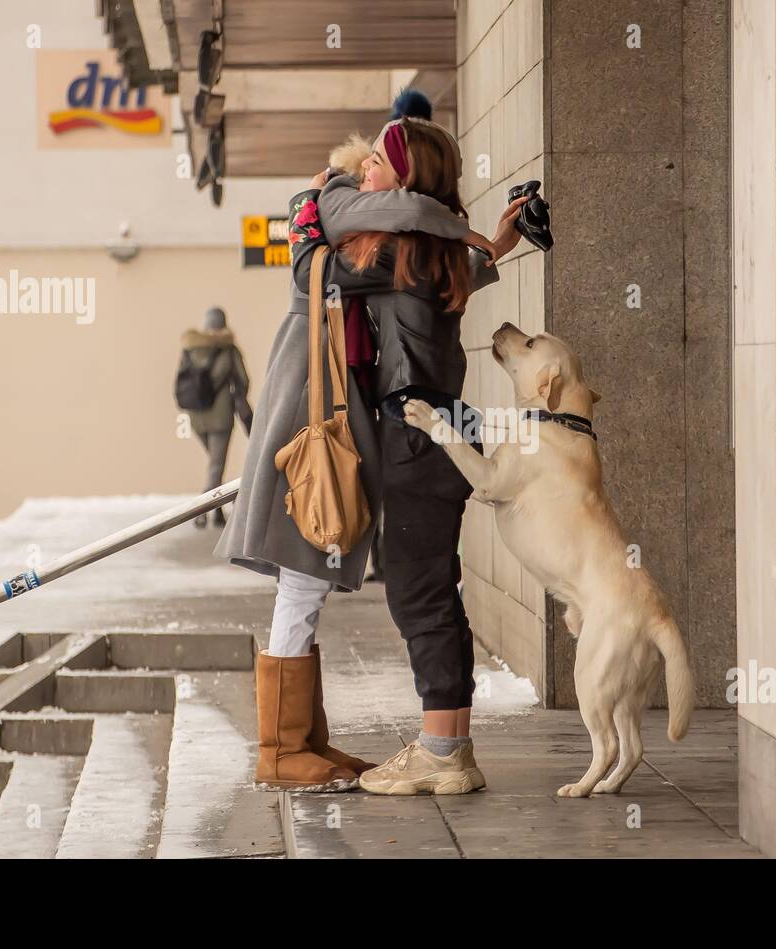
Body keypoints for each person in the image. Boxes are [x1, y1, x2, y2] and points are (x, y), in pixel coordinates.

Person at [214, 105, 515, 791]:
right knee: (426, 588)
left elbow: (310, 272)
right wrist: (493, 243)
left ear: (407, 183)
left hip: (415, 430)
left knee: (419, 593)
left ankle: (437, 752)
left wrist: (308, 211)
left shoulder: (389, 255)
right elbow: (458, 260)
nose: (363, 168)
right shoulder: (428, 254)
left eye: (378, 159)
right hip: (439, 428)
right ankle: (375, 744)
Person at [178, 306, 252, 528]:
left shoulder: (189, 348)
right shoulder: (228, 349)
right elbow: (243, 380)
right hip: (220, 416)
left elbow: (182, 381)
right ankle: (200, 512)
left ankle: (217, 511)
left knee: (214, 465)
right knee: (216, 466)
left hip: (196, 416)